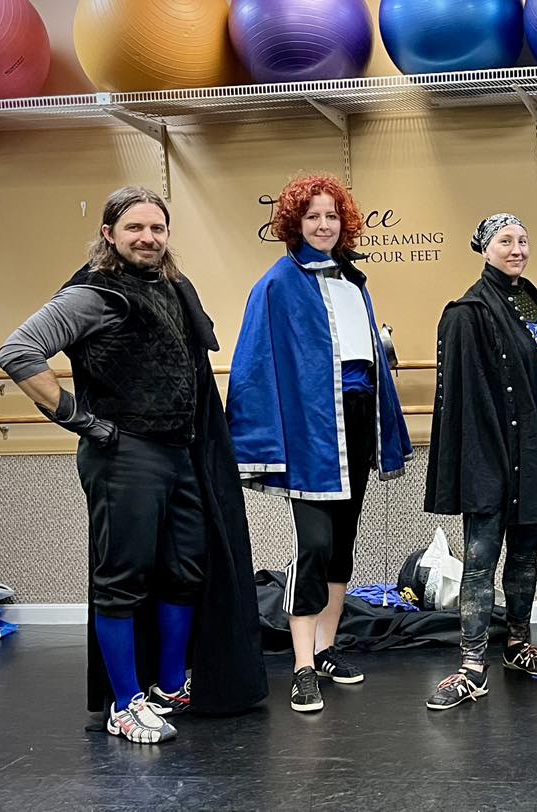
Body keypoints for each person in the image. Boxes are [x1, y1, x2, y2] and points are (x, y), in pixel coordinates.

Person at [0, 186, 267, 743]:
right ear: (109, 235)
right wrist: (83, 421)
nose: (147, 238)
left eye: (157, 229)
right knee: (123, 581)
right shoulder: (92, 296)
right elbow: (18, 351)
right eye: (135, 229)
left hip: (179, 452)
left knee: (184, 571)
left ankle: (170, 685)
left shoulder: (170, 288)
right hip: (123, 455)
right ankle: (125, 704)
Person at [228, 174, 412, 714]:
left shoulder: (355, 280)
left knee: (342, 545)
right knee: (312, 546)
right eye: (313, 216)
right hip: (313, 431)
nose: (324, 224)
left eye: (332, 215)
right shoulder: (279, 283)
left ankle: (328, 648)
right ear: (294, 223)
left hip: (357, 422)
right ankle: (302, 666)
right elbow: (256, 364)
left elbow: (365, 356)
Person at [423, 214, 537, 710]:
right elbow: (464, 405)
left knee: (524, 556)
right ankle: (471, 666)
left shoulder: (532, 301)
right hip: (492, 456)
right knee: (480, 562)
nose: (516, 248)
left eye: (523, 240)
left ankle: (518, 644)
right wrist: (487, 464)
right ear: (484, 248)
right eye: (505, 241)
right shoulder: (467, 312)